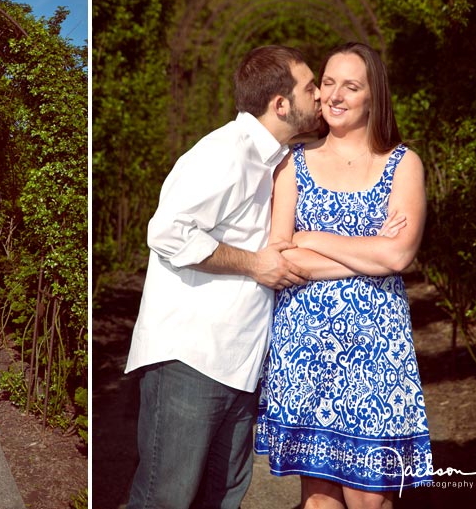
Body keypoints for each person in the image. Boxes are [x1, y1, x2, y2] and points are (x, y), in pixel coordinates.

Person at [124, 45, 321, 509]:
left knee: (222, 498)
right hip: (191, 360)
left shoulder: (276, 160)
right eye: (310, 87)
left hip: (239, 365)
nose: (319, 97)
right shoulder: (224, 153)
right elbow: (167, 233)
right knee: (165, 499)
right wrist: (256, 263)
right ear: (280, 104)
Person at [255, 42, 432, 508]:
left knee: (369, 499)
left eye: (350, 86)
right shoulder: (293, 160)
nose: (333, 95)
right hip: (306, 347)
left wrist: (311, 238)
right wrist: (367, 253)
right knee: (317, 499)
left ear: (374, 96)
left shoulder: (403, 164)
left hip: (377, 348)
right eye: (328, 82)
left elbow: (398, 257)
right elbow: (279, 254)